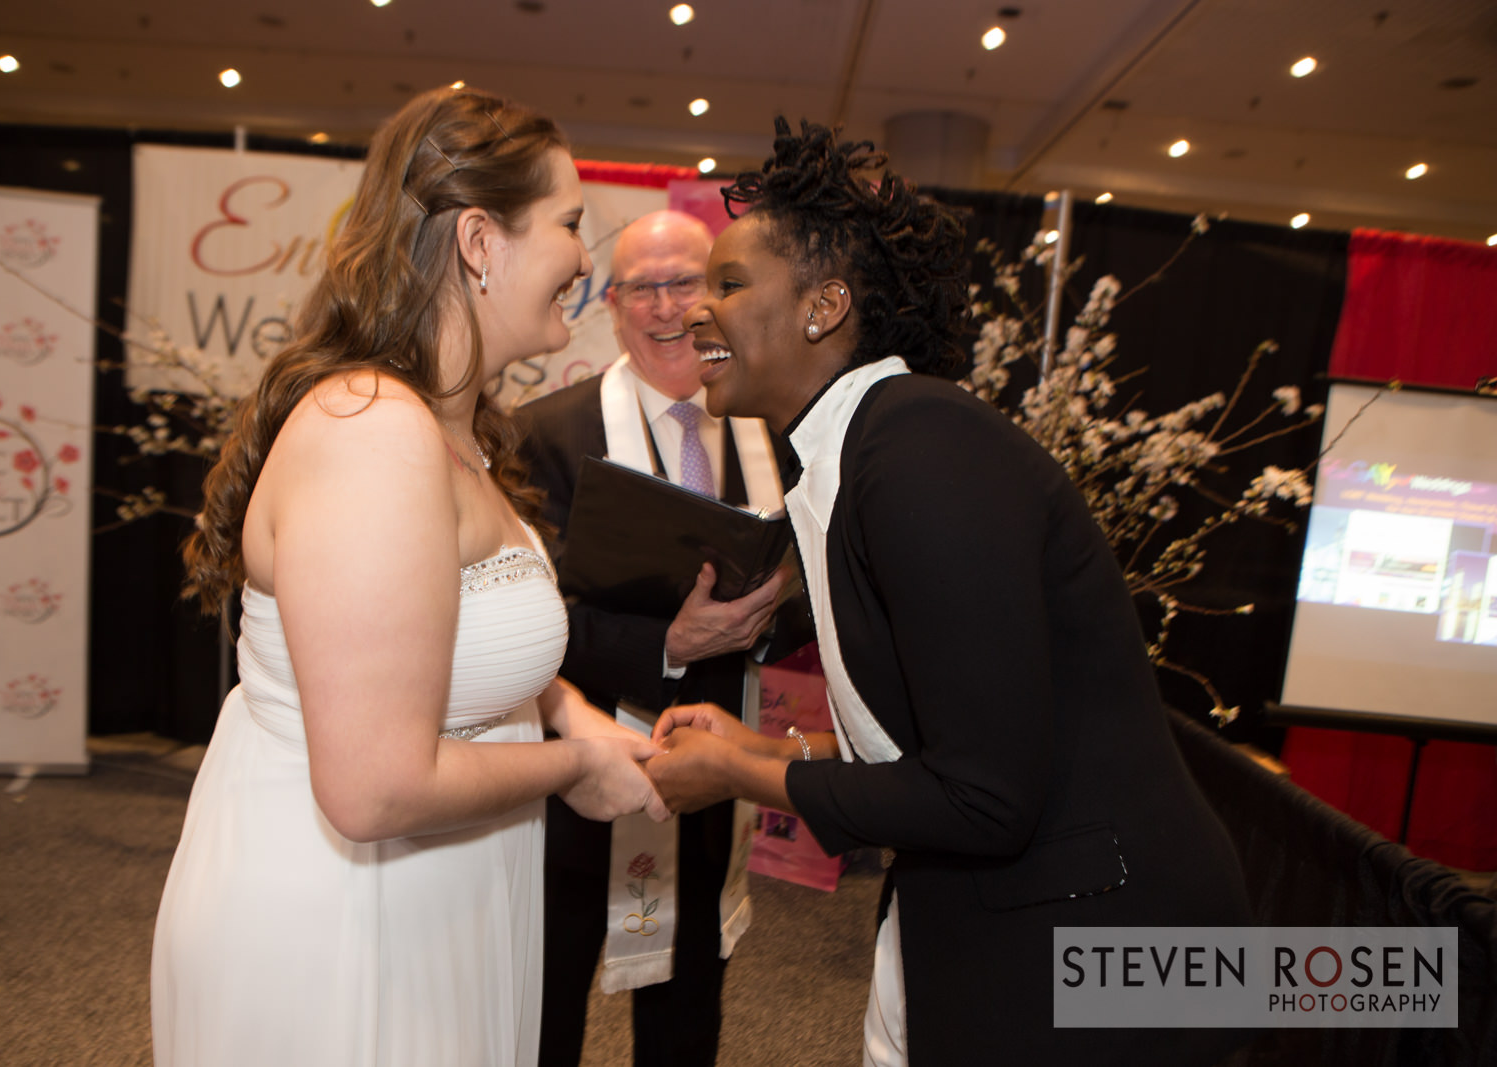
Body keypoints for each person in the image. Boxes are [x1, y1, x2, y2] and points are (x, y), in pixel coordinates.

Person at [645, 119, 1253, 1067]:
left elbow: (982, 796)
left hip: (1107, 947)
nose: (693, 314)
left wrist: (738, 773)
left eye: (728, 284)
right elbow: (932, 745)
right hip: (1027, 915)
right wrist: (762, 744)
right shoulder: (857, 454)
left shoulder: (920, 450)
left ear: (824, 306)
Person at [150, 87, 667, 1067]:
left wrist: (564, 708)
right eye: (568, 225)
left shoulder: (448, 424)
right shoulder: (372, 433)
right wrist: (577, 767)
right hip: (344, 923)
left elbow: (448, 631)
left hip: (430, 899)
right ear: (481, 239)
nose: (585, 260)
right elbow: (373, 786)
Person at [516, 210, 791, 1067]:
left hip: (712, 767)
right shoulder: (548, 433)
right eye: (645, 287)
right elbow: (531, 620)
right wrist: (667, 642)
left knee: (686, 1010)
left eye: (690, 282)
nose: (670, 307)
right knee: (544, 1005)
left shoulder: (771, 429)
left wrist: (775, 611)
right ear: (613, 303)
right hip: (577, 769)